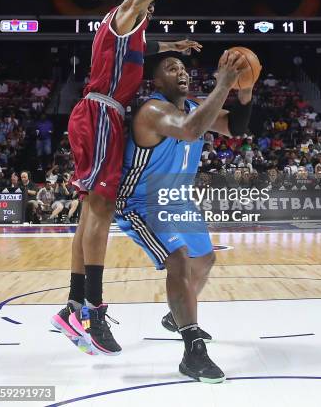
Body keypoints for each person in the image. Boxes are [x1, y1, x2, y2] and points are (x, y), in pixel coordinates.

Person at [51, 0, 238, 356]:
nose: (151, 13)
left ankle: (74, 303)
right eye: (150, 7)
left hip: (102, 115)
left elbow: (139, 53)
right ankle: (92, 310)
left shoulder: (127, 36)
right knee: (101, 209)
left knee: (89, 213)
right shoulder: (127, 12)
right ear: (139, 1)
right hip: (100, 114)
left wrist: (173, 46)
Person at [106, 52, 252, 383]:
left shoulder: (194, 108)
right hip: (141, 201)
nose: (181, 72)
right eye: (172, 69)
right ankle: (193, 351)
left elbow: (235, 126)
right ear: (157, 81)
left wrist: (245, 91)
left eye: (184, 68)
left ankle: (177, 316)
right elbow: (189, 130)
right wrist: (225, 83)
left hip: (177, 199)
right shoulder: (153, 110)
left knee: (205, 260)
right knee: (179, 258)